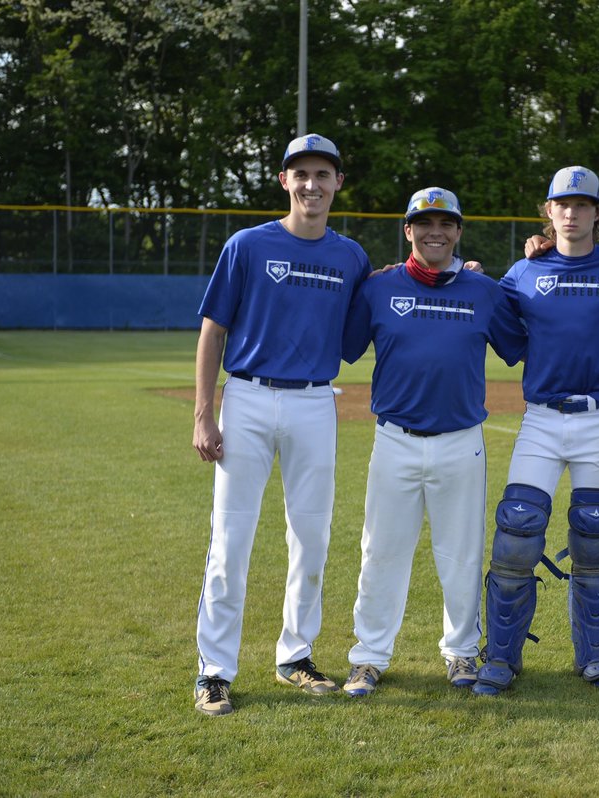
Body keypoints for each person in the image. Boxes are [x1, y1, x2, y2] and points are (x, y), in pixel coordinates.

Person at [191, 133, 372, 716]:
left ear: (338, 183)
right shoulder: (247, 245)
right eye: (302, 174)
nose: (312, 185)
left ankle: (295, 656)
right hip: (245, 398)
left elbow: (365, 326)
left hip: (315, 402)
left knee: (312, 536)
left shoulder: (351, 256)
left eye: (323, 174)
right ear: (284, 180)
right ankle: (214, 671)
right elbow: (213, 331)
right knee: (231, 538)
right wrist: (203, 414)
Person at [339, 187, 526, 697]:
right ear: (408, 231)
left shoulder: (482, 291)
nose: (435, 231)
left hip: (460, 441)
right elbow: (345, 343)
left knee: (461, 554)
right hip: (394, 440)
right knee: (381, 552)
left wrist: (544, 252)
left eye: (445, 223)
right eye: (424, 223)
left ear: (459, 232)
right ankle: (369, 657)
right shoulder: (379, 289)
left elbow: (522, 340)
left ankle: (462, 654)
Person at [473, 167, 599, 696]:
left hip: (598, 419)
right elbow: (507, 338)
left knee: (596, 537)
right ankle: (500, 657)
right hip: (541, 419)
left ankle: (594, 656)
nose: (572, 212)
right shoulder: (522, 272)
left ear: (596, 214)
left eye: (583, 204)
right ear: (548, 210)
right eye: (562, 204)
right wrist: (475, 277)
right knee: (516, 534)